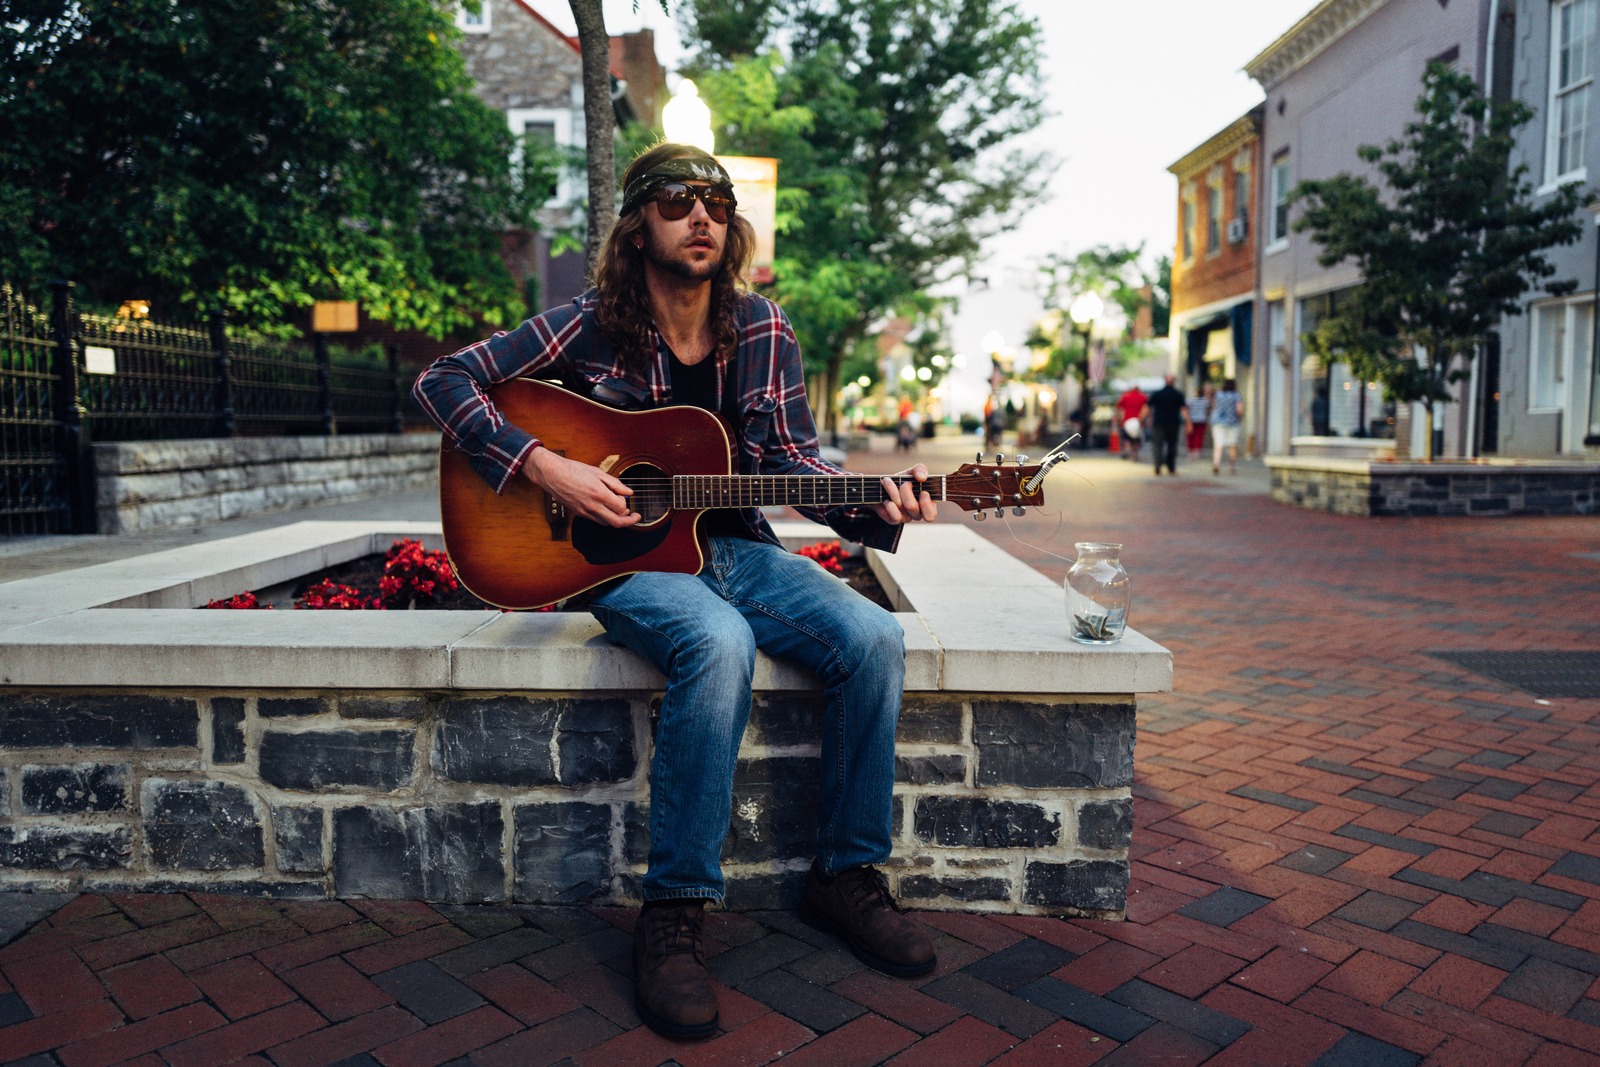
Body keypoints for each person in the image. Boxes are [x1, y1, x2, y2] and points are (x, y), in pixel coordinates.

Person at [412, 142, 938, 1040]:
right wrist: (550, 469)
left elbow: (793, 465)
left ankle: (844, 876)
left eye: (718, 202)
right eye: (677, 200)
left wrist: (874, 501)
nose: (702, 215)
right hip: (629, 562)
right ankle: (675, 910)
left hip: (735, 546)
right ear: (638, 224)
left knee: (874, 637)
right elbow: (441, 379)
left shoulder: (764, 328)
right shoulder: (589, 322)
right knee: (718, 643)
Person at [1141, 374, 1189, 476]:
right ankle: (1170, 467)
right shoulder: (1178, 394)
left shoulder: (1157, 394)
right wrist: (1188, 422)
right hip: (1173, 423)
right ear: (1174, 381)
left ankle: (1158, 465)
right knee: (1172, 445)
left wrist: (1140, 418)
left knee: (1158, 445)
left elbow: (1147, 407)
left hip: (1159, 423)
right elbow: (1183, 409)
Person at [1211, 376, 1243, 475]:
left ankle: (1216, 464)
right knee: (1232, 445)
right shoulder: (1236, 395)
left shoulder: (1218, 394)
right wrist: (1240, 418)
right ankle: (1231, 467)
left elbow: (1214, 406)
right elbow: (1239, 410)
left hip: (1218, 422)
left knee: (1218, 445)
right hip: (1232, 422)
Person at [1115, 384, 1147, 461]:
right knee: (1136, 438)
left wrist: (1119, 419)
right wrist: (1142, 419)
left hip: (1126, 421)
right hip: (1138, 421)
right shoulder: (1143, 397)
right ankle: (1135, 454)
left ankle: (1127, 449)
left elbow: (1118, 408)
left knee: (1127, 438)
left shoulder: (1125, 396)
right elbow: (1146, 409)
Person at [1186, 382, 1213, 457]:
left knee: (1191, 436)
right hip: (1202, 420)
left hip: (1192, 420)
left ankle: (1191, 451)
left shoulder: (1190, 400)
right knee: (1199, 436)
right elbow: (1208, 410)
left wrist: (1188, 420)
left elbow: (1187, 410)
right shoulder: (1205, 401)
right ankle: (1197, 451)